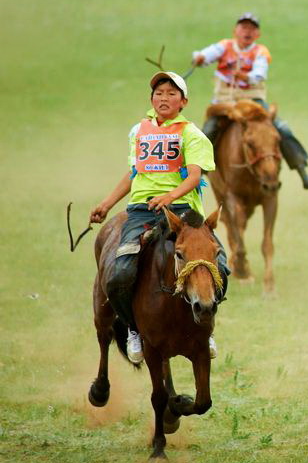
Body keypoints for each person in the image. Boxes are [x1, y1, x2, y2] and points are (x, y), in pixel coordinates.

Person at [89, 72, 226, 363]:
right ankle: (134, 328)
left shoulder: (192, 134)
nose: (164, 98)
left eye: (171, 94)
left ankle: (206, 326)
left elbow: (195, 177)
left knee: (221, 265)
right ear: (152, 99)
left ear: (184, 101)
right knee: (120, 271)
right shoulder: (138, 131)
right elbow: (133, 172)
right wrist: (106, 202)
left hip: (184, 212)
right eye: (159, 93)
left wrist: (170, 197)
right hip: (142, 210)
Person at [192, 12, 308, 192]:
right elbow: (205, 55)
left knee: (281, 129)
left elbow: (259, 73)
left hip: (253, 104)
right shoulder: (224, 46)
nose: (247, 31)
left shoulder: (260, 51)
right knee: (207, 131)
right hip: (225, 103)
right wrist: (199, 58)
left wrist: (246, 76)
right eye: (244, 27)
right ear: (235, 30)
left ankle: (302, 172)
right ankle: (195, 175)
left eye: (252, 29)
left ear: (257, 34)